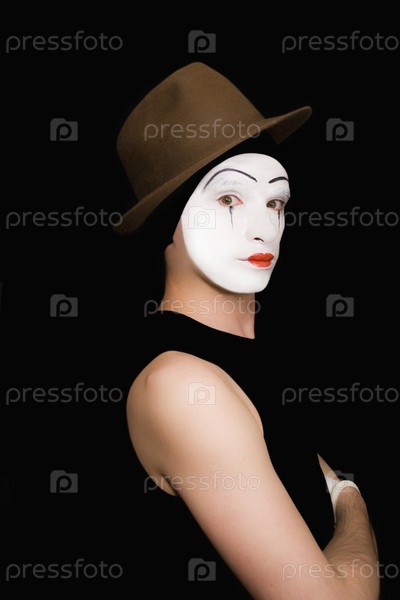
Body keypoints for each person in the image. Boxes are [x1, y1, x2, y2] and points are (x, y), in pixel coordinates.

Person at [114, 62, 380, 599]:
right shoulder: (185, 387)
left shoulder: (251, 357)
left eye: (275, 202)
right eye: (229, 199)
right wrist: (350, 498)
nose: (263, 227)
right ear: (169, 221)